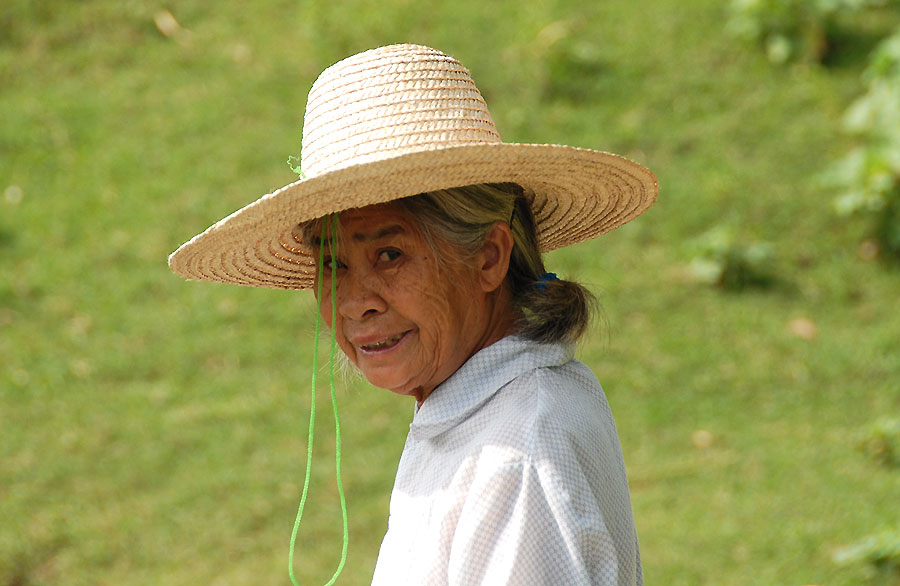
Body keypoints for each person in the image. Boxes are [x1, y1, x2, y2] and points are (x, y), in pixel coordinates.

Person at [169, 44, 657, 586]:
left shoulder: (517, 455)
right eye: (333, 264)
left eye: (390, 254)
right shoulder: (497, 410)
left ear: (488, 257)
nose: (357, 302)